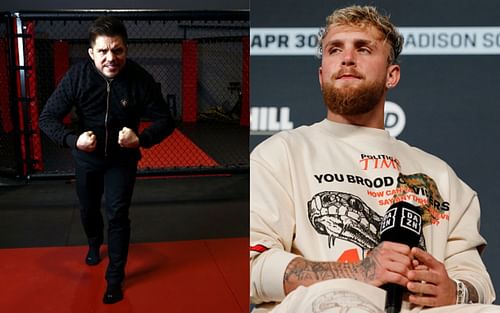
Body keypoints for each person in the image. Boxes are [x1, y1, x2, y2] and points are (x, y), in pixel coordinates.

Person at [250, 5, 499, 313]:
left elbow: (479, 285)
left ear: (391, 75)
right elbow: (251, 265)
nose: (347, 58)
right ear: (321, 74)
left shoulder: (440, 175)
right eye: (334, 49)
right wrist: (358, 272)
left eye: (364, 48)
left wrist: (454, 292)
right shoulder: (281, 153)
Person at [39, 16, 174, 304]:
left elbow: (166, 120)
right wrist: (72, 140)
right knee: (88, 210)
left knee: (117, 214)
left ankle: (115, 277)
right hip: (87, 157)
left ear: (126, 49)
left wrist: (141, 139)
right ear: (92, 53)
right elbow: (47, 117)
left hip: (122, 160)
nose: (111, 58)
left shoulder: (139, 79)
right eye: (103, 52)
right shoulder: (78, 77)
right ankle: (92, 241)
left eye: (118, 51)